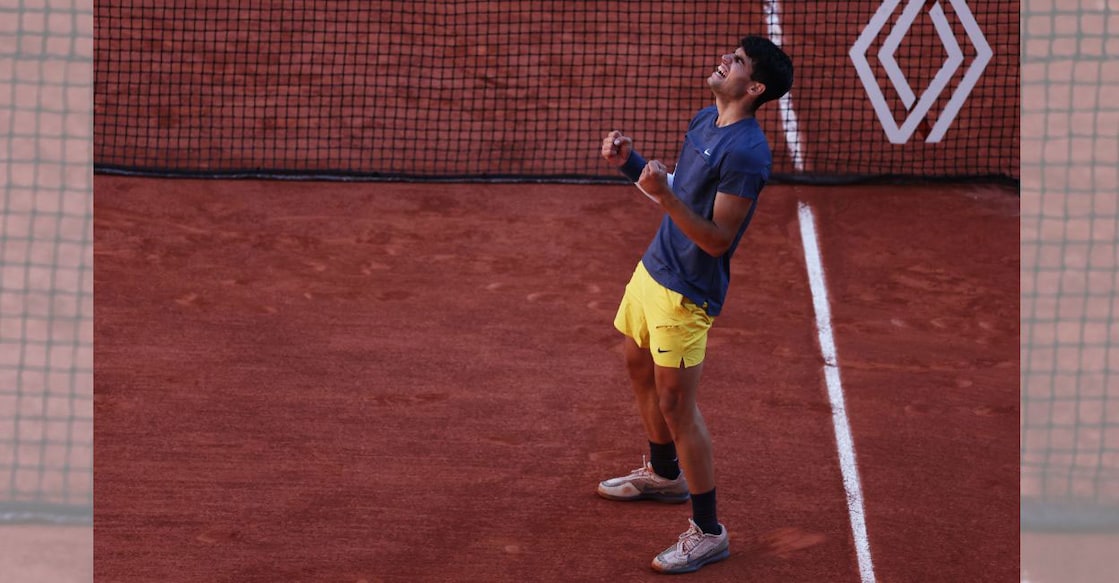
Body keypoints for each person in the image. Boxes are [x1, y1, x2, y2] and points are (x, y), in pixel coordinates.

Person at [597, 35, 793, 574]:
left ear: (753, 88)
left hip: (687, 294)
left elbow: (716, 239)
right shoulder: (706, 119)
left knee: (678, 407)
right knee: (636, 366)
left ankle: (709, 531)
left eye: (737, 62)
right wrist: (630, 163)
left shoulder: (749, 153)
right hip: (653, 270)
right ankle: (664, 476)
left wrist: (663, 196)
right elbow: (681, 190)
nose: (724, 60)